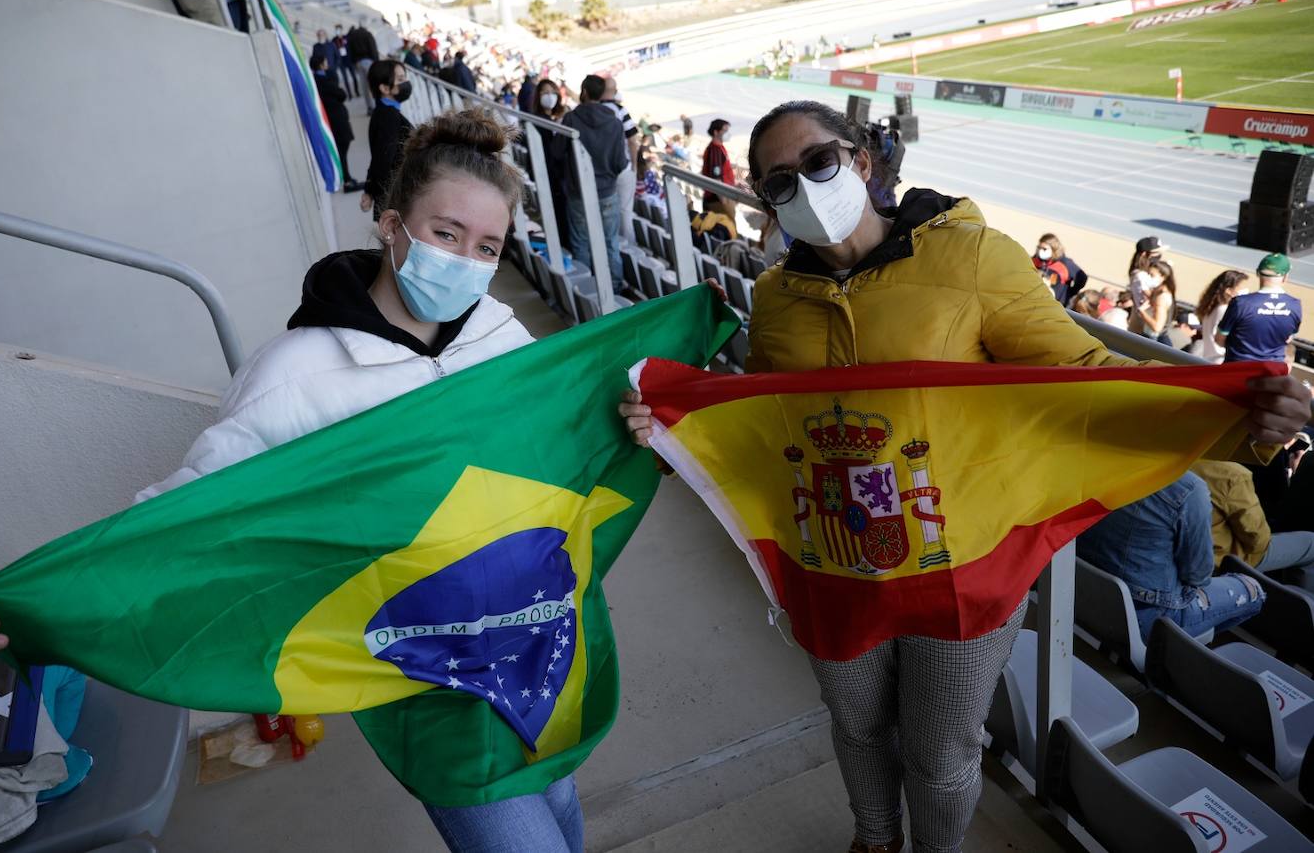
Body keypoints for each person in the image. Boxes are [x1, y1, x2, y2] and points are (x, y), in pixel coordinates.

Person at [619, 99, 1310, 853]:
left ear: (861, 159)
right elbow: (764, 428)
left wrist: (1240, 416)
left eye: (818, 161)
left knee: (941, 754)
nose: (804, 188)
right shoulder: (780, 295)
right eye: (778, 181)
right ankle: (876, 838)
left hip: (966, 563)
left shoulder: (975, 256)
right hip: (834, 563)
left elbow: (1085, 375)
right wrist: (671, 438)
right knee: (853, 723)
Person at [0, 109, 604, 853]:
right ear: (392, 225)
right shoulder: (294, 374)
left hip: (536, 647)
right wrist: (29, 602)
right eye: (445, 234)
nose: (466, 262)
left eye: (488, 246)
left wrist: (641, 414)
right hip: (424, 685)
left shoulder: (503, 337)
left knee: (563, 803)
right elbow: (182, 525)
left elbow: (570, 431)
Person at [1077, 474, 1265, 641]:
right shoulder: (1189, 489)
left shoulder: (1100, 462)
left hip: (1084, 599)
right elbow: (1198, 576)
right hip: (1148, 620)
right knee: (1254, 590)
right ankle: (1171, 658)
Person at [1194, 459, 1314, 593]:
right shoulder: (1231, 474)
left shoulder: (1175, 469)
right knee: (1311, 543)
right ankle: (1303, 603)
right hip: (1223, 559)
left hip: (1188, 560)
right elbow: (1257, 540)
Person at [561, 75, 628, 293]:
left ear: (585, 92)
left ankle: (586, 290)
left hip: (578, 192)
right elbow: (621, 163)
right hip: (607, 192)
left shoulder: (571, 118)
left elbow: (556, 152)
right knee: (611, 243)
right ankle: (615, 290)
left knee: (581, 242)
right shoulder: (616, 123)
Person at [1218, 253, 1303, 366]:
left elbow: (1219, 338)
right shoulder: (1295, 305)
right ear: (1285, 277)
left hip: (1238, 370)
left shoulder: (1240, 303)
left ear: (1258, 273)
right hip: (1272, 372)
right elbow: (1288, 339)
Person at [361, 60, 414, 224]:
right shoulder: (388, 118)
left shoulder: (384, 112)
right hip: (393, 197)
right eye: (400, 79)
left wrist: (369, 190)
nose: (406, 83)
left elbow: (378, 154)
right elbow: (383, 160)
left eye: (404, 77)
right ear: (384, 88)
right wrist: (371, 191)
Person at [310, 53, 362, 194]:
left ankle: (347, 177)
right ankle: (346, 181)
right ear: (321, 64)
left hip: (334, 117)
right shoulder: (324, 80)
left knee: (342, 149)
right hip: (336, 118)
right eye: (325, 61)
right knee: (342, 148)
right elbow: (342, 94)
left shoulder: (317, 79)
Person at [532, 79, 571, 255]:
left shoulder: (552, 119)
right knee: (560, 221)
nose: (550, 96)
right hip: (552, 180)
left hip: (555, 179)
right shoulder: (538, 121)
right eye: (545, 93)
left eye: (553, 92)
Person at [602, 76, 640, 253]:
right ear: (614, 91)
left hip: (601, 170)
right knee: (625, 211)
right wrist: (634, 166)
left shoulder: (594, 110)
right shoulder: (620, 110)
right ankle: (630, 250)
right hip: (622, 168)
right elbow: (633, 140)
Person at [1195, 269, 1250, 363]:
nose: (1246, 292)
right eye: (1241, 288)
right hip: (1220, 359)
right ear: (1229, 290)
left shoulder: (1213, 308)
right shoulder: (1224, 309)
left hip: (1210, 358)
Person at [1129, 259, 1175, 341]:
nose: (1149, 278)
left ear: (1163, 277)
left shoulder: (1162, 297)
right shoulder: (1157, 291)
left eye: (1152, 275)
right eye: (1148, 274)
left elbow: (1157, 327)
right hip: (1149, 335)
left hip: (1152, 338)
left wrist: (1142, 312)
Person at [1034, 233, 1086, 305]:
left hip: (1057, 305)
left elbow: (1082, 278)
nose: (1040, 251)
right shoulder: (1035, 259)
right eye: (1039, 248)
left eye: (1044, 249)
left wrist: (1069, 293)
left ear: (1054, 248)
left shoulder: (1066, 264)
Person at [702, 119, 737, 218]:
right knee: (728, 229)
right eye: (725, 130)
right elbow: (716, 178)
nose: (727, 133)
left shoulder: (719, 147)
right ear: (716, 132)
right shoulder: (715, 150)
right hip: (717, 199)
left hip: (723, 195)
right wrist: (724, 201)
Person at [347, 23, 380, 115]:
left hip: (358, 63)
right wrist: (376, 62)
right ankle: (376, 106)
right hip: (369, 62)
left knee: (364, 87)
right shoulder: (367, 34)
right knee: (373, 85)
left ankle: (370, 107)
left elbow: (349, 51)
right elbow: (373, 49)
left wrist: (354, 63)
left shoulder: (352, 36)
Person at [333, 25, 358, 98]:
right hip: (341, 62)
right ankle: (349, 94)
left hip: (349, 60)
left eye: (339, 30)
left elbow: (351, 47)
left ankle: (356, 91)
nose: (338, 31)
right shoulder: (334, 40)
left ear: (341, 30)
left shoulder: (346, 38)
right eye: (337, 30)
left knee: (354, 77)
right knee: (345, 78)